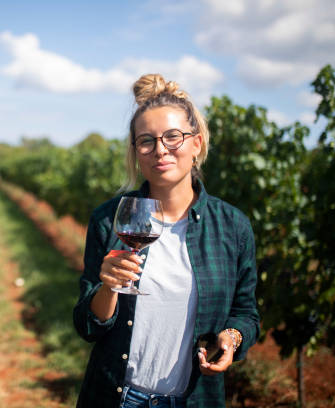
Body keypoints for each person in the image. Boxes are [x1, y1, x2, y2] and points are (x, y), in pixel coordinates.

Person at [73, 73, 260, 407]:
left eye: (173, 137)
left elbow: (245, 313)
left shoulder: (233, 227)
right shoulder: (109, 219)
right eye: (147, 140)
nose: (160, 150)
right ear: (136, 151)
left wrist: (232, 339)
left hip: (195, 400)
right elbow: (89, 327)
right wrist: (108, 287)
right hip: (118, 398)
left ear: (196, 143)